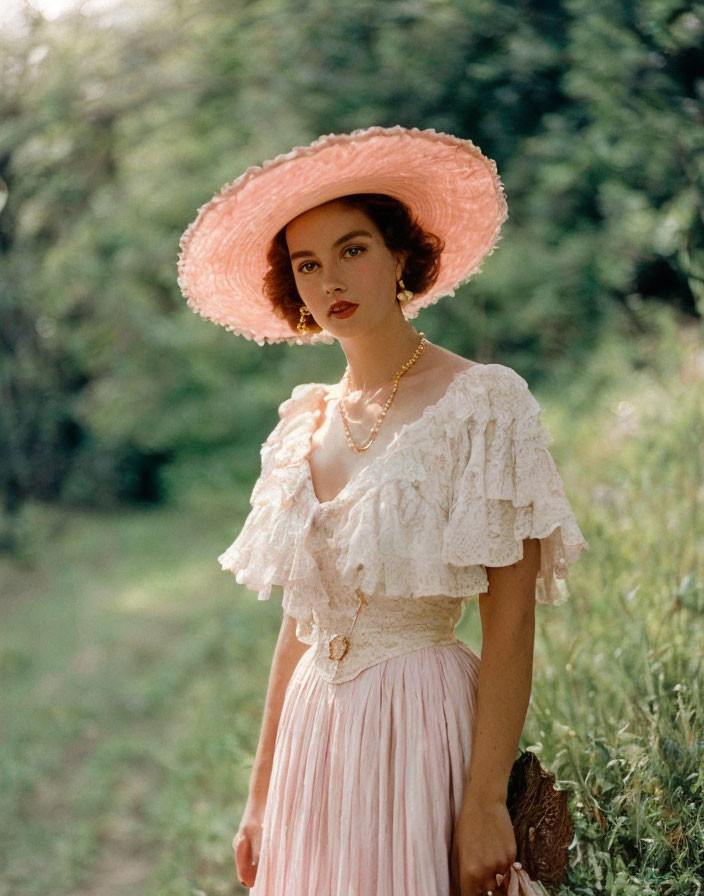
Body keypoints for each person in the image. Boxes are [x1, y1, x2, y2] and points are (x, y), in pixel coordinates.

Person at [177, 126, 589, 896]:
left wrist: (483, 801)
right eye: (307, 263)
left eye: (353, 248)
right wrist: (259, 797)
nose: (330, 276)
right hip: (312, 738)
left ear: (401, 255)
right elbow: (301, 624)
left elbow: (511, 622)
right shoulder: (301, 424)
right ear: (291, 288)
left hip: (421, 722)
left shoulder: (483, 402)